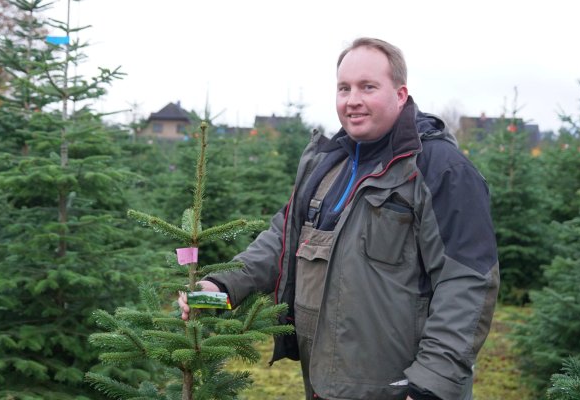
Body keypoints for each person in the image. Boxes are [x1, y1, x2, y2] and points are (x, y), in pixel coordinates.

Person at [179, 37, 499, 400]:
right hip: (323, 379)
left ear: (400, 93)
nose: (353, 100)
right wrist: (219, 287)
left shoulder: (441, 170)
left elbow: (467, 284)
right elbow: (283, 238)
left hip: (399, 388)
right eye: (344, 88)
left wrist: (430, 385)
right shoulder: (328, 162)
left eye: (368, 87)